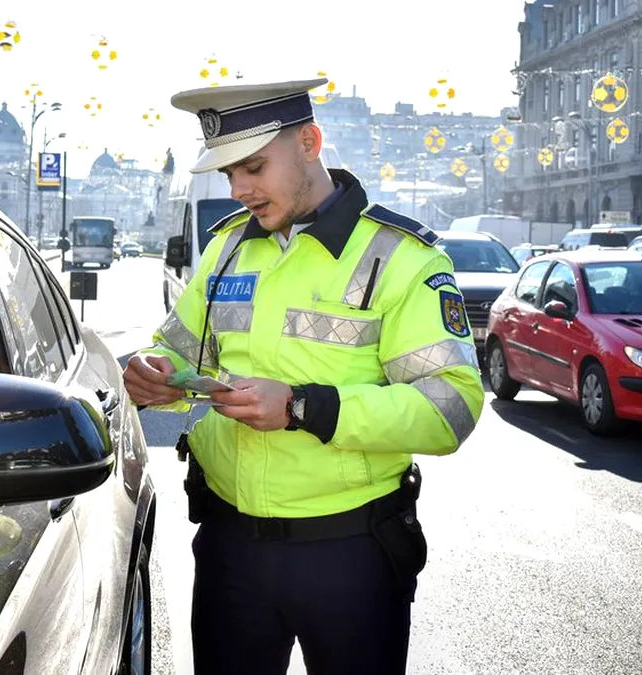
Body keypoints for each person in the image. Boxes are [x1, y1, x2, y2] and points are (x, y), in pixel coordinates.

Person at [123, 78, 483, 674]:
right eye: (229, 174)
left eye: (254, 168)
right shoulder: (228, 249)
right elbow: (176, 349)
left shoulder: (403, 258)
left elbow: (451, 409)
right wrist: (154, 374)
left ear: (310, 143)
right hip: (229, 550)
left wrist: (303, 407)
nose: (238, 190)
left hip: (350, 556)